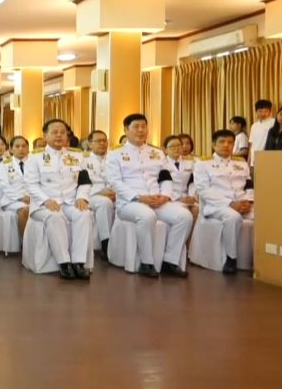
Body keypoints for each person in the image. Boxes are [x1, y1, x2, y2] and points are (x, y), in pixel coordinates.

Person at [105, 114, 191, 278]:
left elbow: (165, 177)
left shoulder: (157, 153)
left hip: (157, 200)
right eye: (136, 127)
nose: (141, 130)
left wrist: (165, 196)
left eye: (144, 126)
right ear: (126, 130)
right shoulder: (115, 154)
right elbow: (114, 182)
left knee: (185, 216)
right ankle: (146, 262)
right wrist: (139, 197)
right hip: (130, 203)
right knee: (147, 216)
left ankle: (170, 261)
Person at [24, 119, 94, 280]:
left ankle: (79, 262)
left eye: (62, 132)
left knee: (84, 214)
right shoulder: (35, 158)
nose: (59, 135)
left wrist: (82, 197)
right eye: (54, 132)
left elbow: (85, 181)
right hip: (43, 205)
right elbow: (30, 184)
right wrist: (46, 200)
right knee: (55, 217)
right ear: (45, 135)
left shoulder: (76, 155)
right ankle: (64, 263)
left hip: (70, 202)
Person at [194, 129, 254, 274]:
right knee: (233, 217)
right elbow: (203, 190)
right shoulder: (203, 163)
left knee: (265, 216)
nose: (226, 145)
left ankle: (260, 258)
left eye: (230, 142)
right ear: (213, 145)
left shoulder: (241, 163)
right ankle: (231, 258)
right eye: (222, 142)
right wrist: (230, 204)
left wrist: (249, 201)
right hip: (216, 206)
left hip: (242, 202)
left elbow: (249, 184)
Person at [83, 130, 116, 259]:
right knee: (104, 203)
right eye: (98, 141)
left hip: (116, 193)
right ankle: (106, 244)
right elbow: (80, 182)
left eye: (104, 141)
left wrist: (116, 192)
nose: (102, 144)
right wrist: (100, 191)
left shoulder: (114, 158)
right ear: (90, 143)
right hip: (91, 194)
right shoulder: (83, 160)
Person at [0, 135, 31, 241]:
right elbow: (5, 186)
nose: (21, 149)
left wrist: (31, 197)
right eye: (17, 146)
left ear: (28, 148)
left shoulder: (33, 163)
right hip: (11, 200)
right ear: (11, 149)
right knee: (24, 211)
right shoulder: (5, 164)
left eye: (23, 146)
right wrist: (21, 197)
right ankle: (25, 243)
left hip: (32, 198)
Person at [163, 135, 199, 220]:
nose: (176, 149)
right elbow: (162, 185)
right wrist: (177, 198)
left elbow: (193, 182)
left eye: (178, 145)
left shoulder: (191, 162)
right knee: (185, 214)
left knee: (197, 210)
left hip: (188, 197)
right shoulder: (161, 164)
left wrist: (192, 196)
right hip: (171, 198)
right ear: (165, 150)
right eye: (172, 146)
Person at [248, 99, 275, 168]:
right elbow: (251, 144)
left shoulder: (274, 123)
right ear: (256, 111)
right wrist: (249, 160)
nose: (263, 114)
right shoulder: (254, 125)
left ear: (270, 111)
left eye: (265, 111)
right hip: (254, 159)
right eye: (260, 111)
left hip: (267, 158)